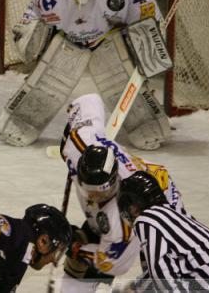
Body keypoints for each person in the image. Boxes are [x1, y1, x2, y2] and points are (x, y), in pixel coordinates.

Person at [0, 0, 171, 150]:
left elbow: (146, 10)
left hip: (106, 42)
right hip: (67, 44)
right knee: (44, 88)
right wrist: (28, 35)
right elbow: (29, 19)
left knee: (123, 88)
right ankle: (17, 123)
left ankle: (149, 126)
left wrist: (149, 33)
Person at [57, 94, 185, 292]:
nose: (93, 198)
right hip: (124, 199)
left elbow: (115, 263)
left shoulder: (123, 215)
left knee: (159, 277)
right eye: (88, 191)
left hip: (160, 204)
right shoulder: (78, 145)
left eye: (100, 194)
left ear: (114, 181)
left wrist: (79, 251)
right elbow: (90, 100)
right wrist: (71, 123)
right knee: (76, 268)